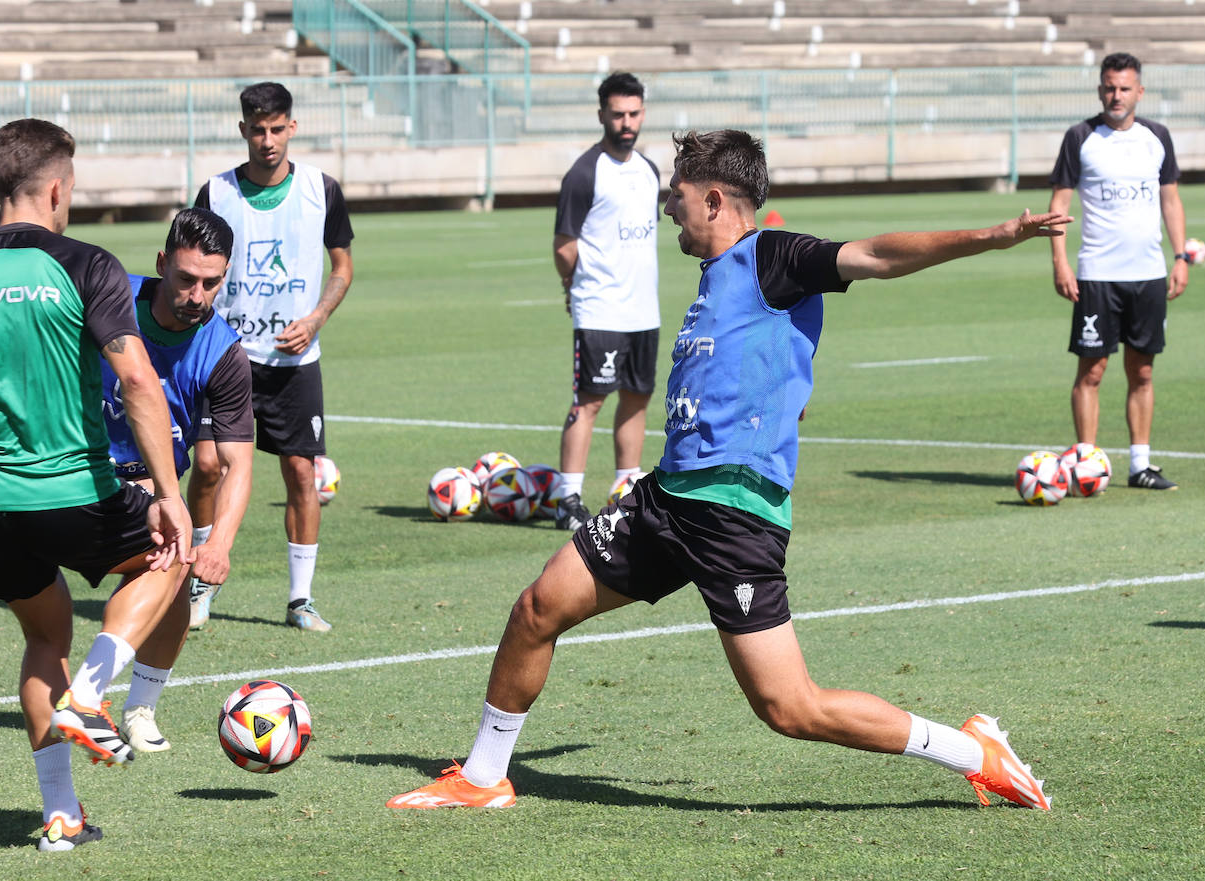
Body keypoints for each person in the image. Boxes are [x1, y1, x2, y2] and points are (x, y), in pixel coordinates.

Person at [387, 130, 1069, 812]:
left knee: (790, 707)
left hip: (734, 515)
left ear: (713, 199)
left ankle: (974, 751)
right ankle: (483, 775)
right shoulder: (714, 281)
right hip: (666, 497)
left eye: (676, 199)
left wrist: (997, 232)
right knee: (537, 608)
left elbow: (875, 255)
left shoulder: (771, 256)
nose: (668, 213)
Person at [0, 119, 192, 850]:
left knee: (44, 634)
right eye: (72, 188)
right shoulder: (86, 263)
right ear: (56, 187)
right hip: (73, 489)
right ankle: (91, 692)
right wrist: (169, 494)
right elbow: (138, 380)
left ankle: (62, 815)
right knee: (175, 553)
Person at [0, 208, 255, 757]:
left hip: (148, 485)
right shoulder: (102, 291)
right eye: (185, 279)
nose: (196, 295)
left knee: (171, 563)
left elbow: (235, 461)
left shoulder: (223, 351)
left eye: (211, 283)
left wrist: (217, 542)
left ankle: (139, 708)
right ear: (161, 265)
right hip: (54, 465)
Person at [192, 81, 355, 631]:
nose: (267, 140)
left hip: (294, 363)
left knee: (301, 474)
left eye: (276, 128)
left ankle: (299, 601)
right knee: (210, 467)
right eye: (257, 130)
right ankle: (198, 585)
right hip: (226, 358)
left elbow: (343, 268)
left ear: (292, 126)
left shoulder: (321, 189)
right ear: (243, 130)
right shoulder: (215, 193)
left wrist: (315, 319)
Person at [1049, 52, 1189, 490]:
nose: (1116, 95)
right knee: (1092, 371)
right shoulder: (1080, 137)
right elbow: (1059, 206)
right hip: (1096, 274)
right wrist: (1060, 262)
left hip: (1147, 273)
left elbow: (1171, 200)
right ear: (1099, 89)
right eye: (1109, 86)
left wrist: (1180, 256)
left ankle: (1140, 465)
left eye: (1125, 88)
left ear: (1139, 92)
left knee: (1142, 371)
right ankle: (1086, 464)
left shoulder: (1157, 137)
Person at [552, 72, 661, 531]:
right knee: (590, 400)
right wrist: (573, 288)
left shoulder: (651, 171)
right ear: (602, 115)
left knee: (638, 398)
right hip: (600, 308)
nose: (626, 122)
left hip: (644, 310)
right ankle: (567, 498)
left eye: (634, 113)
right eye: (617, 114)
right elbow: (564, 246)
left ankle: (625, 488)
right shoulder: (583, 173)